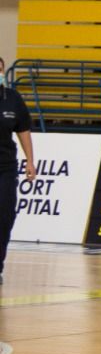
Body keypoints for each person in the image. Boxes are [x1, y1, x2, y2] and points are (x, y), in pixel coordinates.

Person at [0, 55, 36, 285]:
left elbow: (23, 130)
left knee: (4, 217)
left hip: (5, 168)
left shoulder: (12, 99)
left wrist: (30, 161)